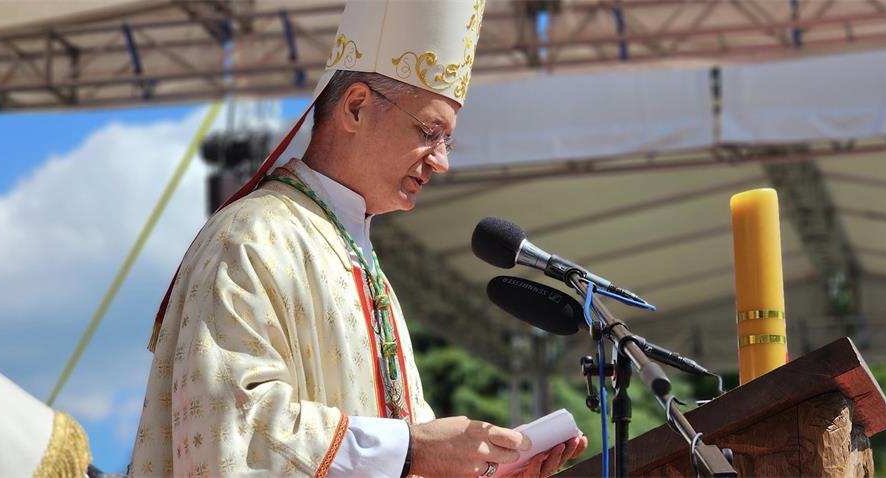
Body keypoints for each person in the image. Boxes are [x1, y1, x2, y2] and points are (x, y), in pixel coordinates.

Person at [130, 1, 587, 477]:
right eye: (430, 132)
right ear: (355, 107)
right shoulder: (252, 237)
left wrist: (490, 470)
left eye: (447, 141)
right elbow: (233, 425)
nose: (441, 162)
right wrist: (413, 450)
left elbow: (402, 454)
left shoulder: (364, 264)